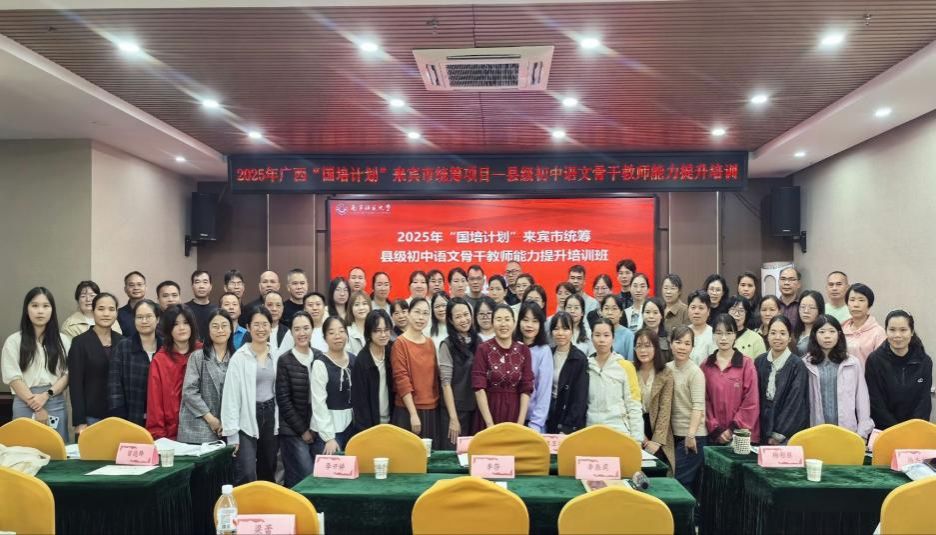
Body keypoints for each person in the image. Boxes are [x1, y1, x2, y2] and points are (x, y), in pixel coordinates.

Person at [2, 288, 71, 442]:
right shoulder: (14, 341)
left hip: (54, 401)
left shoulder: (63, 341)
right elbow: (13, 377)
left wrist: (46, 395)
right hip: (24, 402)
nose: (40, 311)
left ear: (52, 310)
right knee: (24, 449)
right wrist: (36, 405)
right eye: (35, 305)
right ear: (26, 309)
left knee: (56, 450)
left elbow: (67, 374)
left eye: (46, 306)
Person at [222, 306, 279, 483]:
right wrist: (232, 433)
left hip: (270, 414)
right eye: (256, 325)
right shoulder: (240, 357)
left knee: (268, 468)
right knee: (246, 471)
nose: (261, 329)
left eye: (265, 324)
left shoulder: (276, 354)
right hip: (246, 416)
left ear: (270, 327)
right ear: (248, 327)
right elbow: (231, 397)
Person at [802, 315, 873, 438]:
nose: (827, 336)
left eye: (832, 331)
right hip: (816, 430)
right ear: (814, 335)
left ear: (839, 334)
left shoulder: (852, 362)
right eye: (822, 332)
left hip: (847, 430)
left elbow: (862, 398)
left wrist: (863, 431)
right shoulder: (806, 363)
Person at [865, 310, 933, 429]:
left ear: (912, 332)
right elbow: (876, 402)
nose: (897, 335)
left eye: (903, 330)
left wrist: (913, 428)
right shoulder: (874, 361)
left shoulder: (924, 361)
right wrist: (896, 430)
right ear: (886, 331)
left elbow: (924, 402)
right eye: (892, 330)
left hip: (915, 429)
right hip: (884, 429)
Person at [391, 298, 444, 445]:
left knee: (430, 455)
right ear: (408, 314)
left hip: (432, 409)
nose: (421, 317)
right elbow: (402, 380)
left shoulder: (430, 343)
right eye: (417, 312)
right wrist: (413, 414)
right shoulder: (400, 343)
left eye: (425, 313)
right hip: (408, 411)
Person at [276, 312, 320, 487]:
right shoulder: (285, 360)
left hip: (317, 426)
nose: (302, 333)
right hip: (293, 430)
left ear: (312, 329)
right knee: (305, 474)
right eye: (297, 329)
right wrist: (303, 430)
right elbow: (283, 399)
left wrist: (315, 428)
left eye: (306, 328)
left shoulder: (320, 356)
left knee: (319, 476)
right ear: (291, 332)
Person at [68, 292, 123, 435]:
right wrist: (80, 421)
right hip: (91, 416)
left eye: (111, 309)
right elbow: (75, 384)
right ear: (93, 312)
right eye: (101, 309)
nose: (106, 313)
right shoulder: (80, 342)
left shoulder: (123, 342)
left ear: (116, 313)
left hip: (119, 416)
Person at [473, 304, 534, 430]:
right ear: (492, 323)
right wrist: (489, 425)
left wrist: (520, 424)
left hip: (514, 412)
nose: (503, 324)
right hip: (489, 411)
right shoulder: (483, 349)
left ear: (514, 323)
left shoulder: (524, 350)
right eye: (498, 319)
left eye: (507, 319)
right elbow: (479, 388)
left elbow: (526, 388)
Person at [702, 314, 760, 446]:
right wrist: (715, 429)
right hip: (714, 436)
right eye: (719, 333)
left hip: (742, 437)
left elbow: (751, 401)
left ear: (735, 335)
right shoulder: (706, 366)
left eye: (728, 333)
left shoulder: (746, 364)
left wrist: (733, 429)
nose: (723, 338)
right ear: (713, 335)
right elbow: (704, 401)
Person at [179, 309, 233, 444]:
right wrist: (211, 419)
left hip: (229, 427)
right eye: (215, 326)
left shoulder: (237, 358)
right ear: (208, 330)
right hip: (199, 425)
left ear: (231, 329)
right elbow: (189, 391)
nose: (220, 330)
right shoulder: (198, 357)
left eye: (224, 326)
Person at [146, 305, 200, 440]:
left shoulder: (203, 352)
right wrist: (159, 436)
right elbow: (155, 403)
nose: (182, 328)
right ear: (168, 329)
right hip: (171, 434)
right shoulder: (160, 360)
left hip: (202, 430)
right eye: (176, 324)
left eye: (186, 323)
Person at [586, 319, 643, 441]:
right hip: (591, 430)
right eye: (597, 335)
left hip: (619, 431)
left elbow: (633, 405)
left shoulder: (625, 366)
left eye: (606, 335)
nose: (602, 340)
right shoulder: (585, 366)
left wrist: (637, 440)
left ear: (613, 338)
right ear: (591, 337)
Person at [754, 316, 808, 445]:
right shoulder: (759, 361)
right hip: (760, 428)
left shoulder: (797, 365)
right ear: (767, 336)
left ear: (789, 337)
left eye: (783, 333)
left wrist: (779, 433)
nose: (777, 337)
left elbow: (795, 402)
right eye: (773, 333)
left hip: (786, 433)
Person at [667, 326, 707, 494]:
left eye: (687, 343)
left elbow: (698, 406)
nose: (682, 347)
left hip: (693, 436)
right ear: (670, 344)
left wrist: (690, 435)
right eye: (678, 342)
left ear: (692, 347)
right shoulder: (666, 369)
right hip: (672, 436)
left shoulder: (695, 373)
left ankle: (688, 512)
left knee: (680, 483)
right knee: (675, 482)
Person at [109, 299, 161, 427]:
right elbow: (114, 386)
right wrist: (120, 419)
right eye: (139, 317)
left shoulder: (166, 347)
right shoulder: (123, 347)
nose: (144, 321)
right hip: (131, 419)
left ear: (157, 319)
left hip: (162, 420)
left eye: (148, 316)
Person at [311, 316, 356, 454]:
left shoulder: (354, 359)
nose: (337, 336)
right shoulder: (320, 364)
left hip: (352, 427)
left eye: (341, 331)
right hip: (329, 431)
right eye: (331, 332)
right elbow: (318, 403)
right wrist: (329, 437)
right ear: (325, 338)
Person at [439, 298, 479, 444]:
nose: (464, 319)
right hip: (455, 410)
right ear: (450, 320)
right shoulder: (447, 345)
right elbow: (445, 383)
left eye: (466, 314)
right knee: (454, 453)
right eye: (458, 316)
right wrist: (453, 418)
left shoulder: (478, 341)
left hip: (475, 409)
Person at [634, 327, 675, 472]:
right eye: (639, 346)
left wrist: (656, 441)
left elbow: (665, 409)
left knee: (657, 471)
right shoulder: (630, 370)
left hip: (658, 429)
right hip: (635, 427)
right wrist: (641, 436)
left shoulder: (666, 373)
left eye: (647, 346)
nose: (643, 350)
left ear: (656, 348)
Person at [351, 309, 395, 433]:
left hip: (393, 420)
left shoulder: (392, 352)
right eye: (377, 331)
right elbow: (360, 402)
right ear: (369, 332)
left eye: (386, 330)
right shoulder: (362, 361)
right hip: (371, 424)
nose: (383, 335)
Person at [545, 312, 588, 434]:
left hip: (568, 419)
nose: (560, 333)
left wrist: (567, 427)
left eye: (565, 329)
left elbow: (580, 398)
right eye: (556, 329)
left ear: (572, 331)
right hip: (550, 414)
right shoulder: (548, 354)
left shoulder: (579, 359)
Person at [516, 302, 553, 434]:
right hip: (511, 417)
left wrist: (535, 424)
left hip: (534, 421)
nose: (529, 325)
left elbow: (544, 391)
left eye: (535, 321)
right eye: (525, 320)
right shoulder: (512, 346)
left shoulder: (544, 351)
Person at [842, 283, 887, 367]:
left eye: (861, 300)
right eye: (852, 300)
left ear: (869, 305)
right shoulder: (841, 329)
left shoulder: (878, 332)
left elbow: (882, 363)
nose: (856, 304)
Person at [598, 295, 635, 360]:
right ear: (601, 312)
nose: (610, 313)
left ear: (621, 313)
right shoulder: (596, 333)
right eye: (606, 308)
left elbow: (631, 361)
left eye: (614, 309)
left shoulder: (628, 335)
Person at [687, 290, 716, 364]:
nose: (696, 312)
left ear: (708, 311)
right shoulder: (682, 332)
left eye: (701, 308)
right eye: (693, 307)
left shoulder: (714, 335)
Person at [187, 270, 216, 343]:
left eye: (205, 282)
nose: (201, 286)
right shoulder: (184, 309)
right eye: (197, 282)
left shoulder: (217, 310)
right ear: (192, 286)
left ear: (211, 286)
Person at [793, 290, 825, 355]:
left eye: (812, 307)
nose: (806, 311)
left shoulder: (822, 335)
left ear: (819, 310)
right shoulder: (794, 333)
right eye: (802, 307)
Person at [117, 271, 147, 337]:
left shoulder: (156, 309)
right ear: (125, 289)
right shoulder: (118, 314)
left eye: (139, 284)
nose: (136, 288)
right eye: (131, 285)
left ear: (145, 287)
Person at [264, 292, 292, 357]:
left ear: (282, 308)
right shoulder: (254, 332)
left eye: (278, 305)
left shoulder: (288, 332)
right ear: (263, 307)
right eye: (270, 305)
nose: (274, 309)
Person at [641, 297, 669, 361]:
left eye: (655, 312)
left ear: (661, 315)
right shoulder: (637, 337)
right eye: (647, 312)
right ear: (642, 314)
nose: (651, 316)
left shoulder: (669, 338)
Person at [345, 290, 372, 355]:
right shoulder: (346, 332)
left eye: (364, 303)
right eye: (356, 304)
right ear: (351, 309)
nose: (361, 308)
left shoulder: (375, 329)